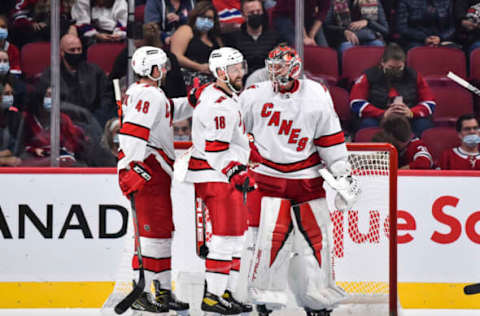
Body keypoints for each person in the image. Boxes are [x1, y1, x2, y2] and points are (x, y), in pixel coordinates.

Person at [239, 44, 358, 316]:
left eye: (279, 66)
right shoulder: (254, 95)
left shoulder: (316, 94)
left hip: (307, 179)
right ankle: (264, 300)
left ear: (294, 67)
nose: (273, 72)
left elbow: (329, 138)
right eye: (271, 66)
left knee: (315, 243)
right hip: (266, 178)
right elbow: (236, 132)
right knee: (267, 240)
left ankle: (318, 301)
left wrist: (342, 172)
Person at [117, 46, 192, 314]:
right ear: (154, 69)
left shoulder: (149, 94)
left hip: (152, 169)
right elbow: (133, 133)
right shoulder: (148, 94)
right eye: (163, 67)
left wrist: (194, 100)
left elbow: (170, 110)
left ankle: (160, 290)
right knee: (151, 236)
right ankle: (149, 291)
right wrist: (132, 167)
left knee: (159, 234)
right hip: (147, 169)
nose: (167, 71)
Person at [183, 47, 253, 315]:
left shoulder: (221, 94)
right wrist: (236, 171)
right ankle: (212, 296)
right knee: (225, 238)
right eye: (234, 69)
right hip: (217, 176)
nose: (240, 73)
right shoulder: (219, 106)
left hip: (221, 175)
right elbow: (215, 149)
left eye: (240, 66)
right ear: (221, 73)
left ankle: (225, 292)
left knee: (237, 238)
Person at [349, 43, 436, 137]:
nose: (395, 71)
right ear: (382, 62)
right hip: (378, 117)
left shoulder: (414, 76)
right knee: (367, 125)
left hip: (408, 116)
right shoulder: (369, 76)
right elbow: (356, 102)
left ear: (404, 64)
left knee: (424, 125)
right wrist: (382, 114)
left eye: (399, 68)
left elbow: (430, 102)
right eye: (391, 68)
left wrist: (411, 112)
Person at [38, 34, 116, 128]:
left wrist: (97, 119)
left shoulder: (95, 71)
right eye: (72, 50)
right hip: (65, 124)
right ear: (62, 52)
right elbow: (49, 106)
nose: (76, 53)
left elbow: (106, 98)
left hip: (95, 121)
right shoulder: (50, 75)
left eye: (79, 49)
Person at [109, 21, 187, 98]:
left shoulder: (168, 58)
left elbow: (177, 91)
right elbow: (114, 80)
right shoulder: (127, 55)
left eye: (140, 47)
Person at [22, 86, 86, 167]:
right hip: (34, 159)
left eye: (54, 96)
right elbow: (22, 144)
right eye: (49, 95)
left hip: (60, 160)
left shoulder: (63, 118)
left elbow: (72, 144)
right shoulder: (28, 119)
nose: (52, 98)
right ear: (40, 96)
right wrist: (34, 150)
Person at [223, 0, 283, 77]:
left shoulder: (275, 37)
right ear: (243, 15)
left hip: (268, 81)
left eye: (258, 11)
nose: (255, 15)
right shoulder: (233, 39)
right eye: (251, 13)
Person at [170, 1, 223, 88]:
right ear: (195, 17)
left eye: (210, 18)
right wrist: (199, 67)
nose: (206, 20)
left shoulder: (215, 38)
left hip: (213, 82)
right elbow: (176, 56)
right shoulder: (186, 30)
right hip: (188, 80)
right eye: (203, 17)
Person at [0, 80, 22, 166]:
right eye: (6, 94)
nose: (10, 97)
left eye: (11, 93)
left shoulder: (13, 116)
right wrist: (4, 160)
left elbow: (14, 149)